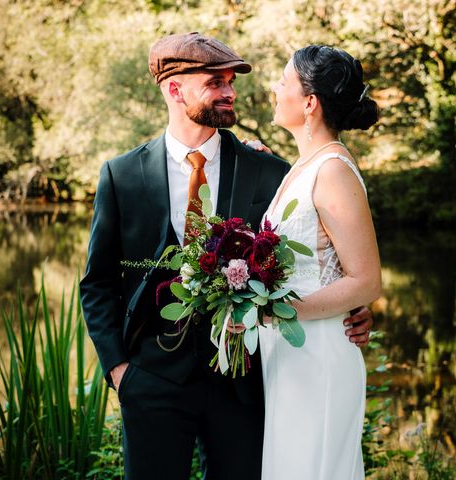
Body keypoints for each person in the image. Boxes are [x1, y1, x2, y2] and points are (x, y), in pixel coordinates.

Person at [79, 33, 373, 480]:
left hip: (247, 385)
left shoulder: (271, 171)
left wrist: (352, 306)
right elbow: (98, 282)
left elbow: (321, 248)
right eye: (216, 82)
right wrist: (120, 370)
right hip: (153, 382)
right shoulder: (122, 175)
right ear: (175, 90)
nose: (230, 92)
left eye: (231, 82)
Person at [258, 45, 382, 479]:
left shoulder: (333, 170)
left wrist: (278, 310)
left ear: (309, 102)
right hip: (289, 356)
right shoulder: (301, 167)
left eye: (284, 81)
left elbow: (366, 280)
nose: (275, 88)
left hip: (319, 354)